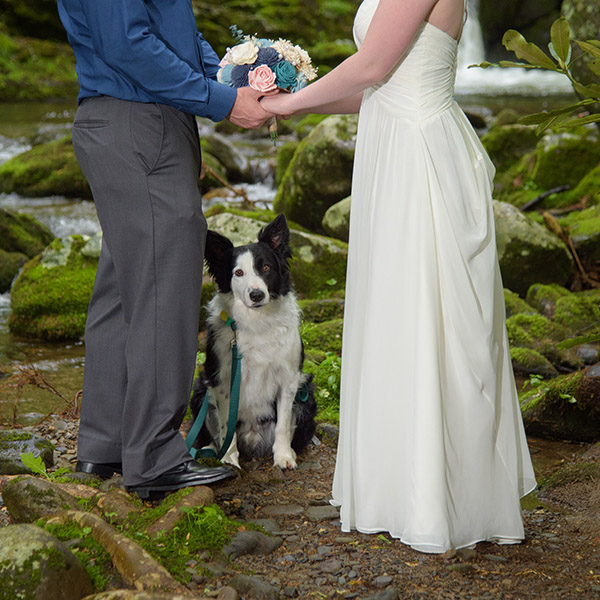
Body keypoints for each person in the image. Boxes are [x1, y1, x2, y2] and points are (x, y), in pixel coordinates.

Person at [262, 0, 537, 552]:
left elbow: (370, 67)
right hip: (392, 150)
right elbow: (370, 84)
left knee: (430, 319)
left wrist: (289, 103)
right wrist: (290, 105)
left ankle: (441, 499)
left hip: (419, 159)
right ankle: (398, 486)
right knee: (395, 318)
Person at [57, 0, 275, 498]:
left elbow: (170, 34)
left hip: (134, 121)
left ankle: (106, 445)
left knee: (123, 289)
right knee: (163, 293)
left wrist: (231, 82)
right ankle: (153, 459)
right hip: (140, 122)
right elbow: (127, 45)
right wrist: (219, 101)